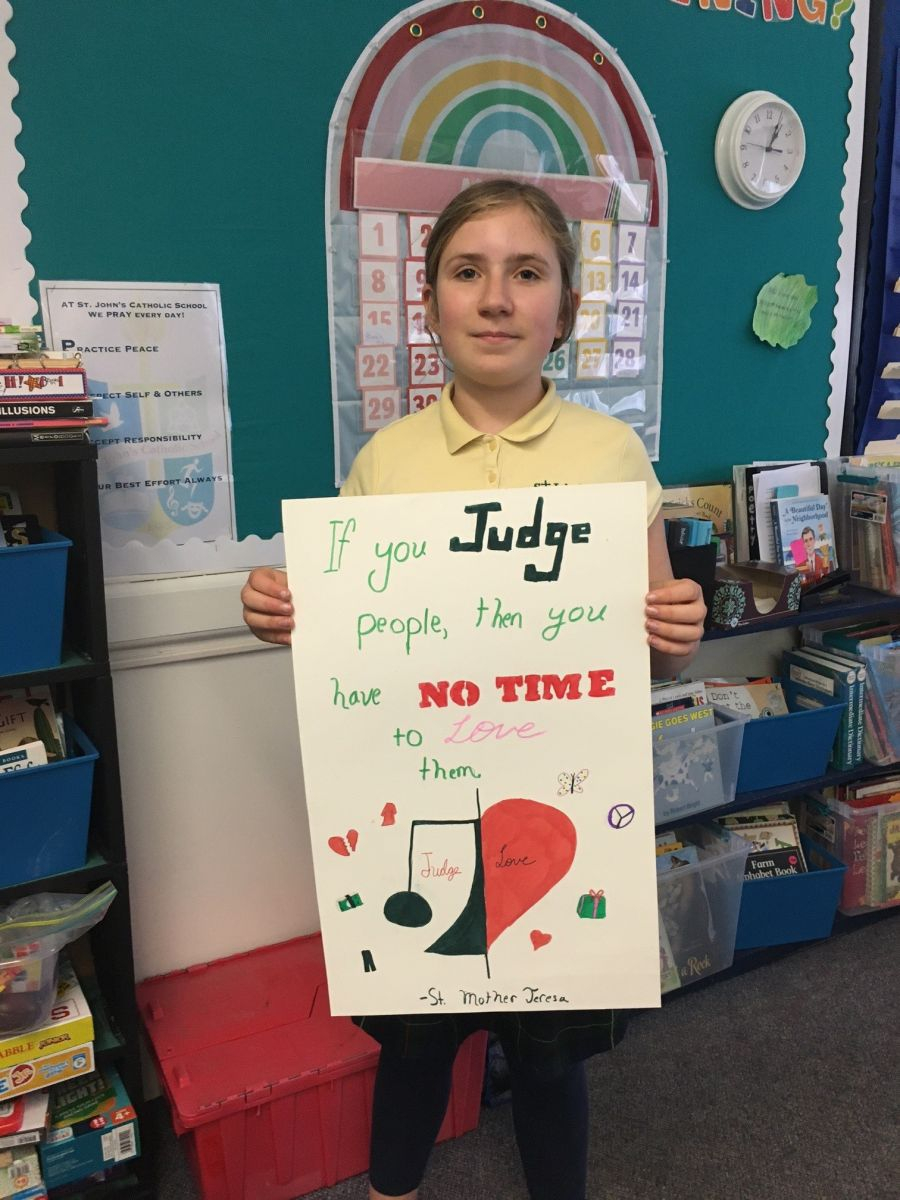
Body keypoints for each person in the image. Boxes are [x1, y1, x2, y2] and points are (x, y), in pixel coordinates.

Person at [241, 180, 706, 1200]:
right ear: (432, 303)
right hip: (425, 809)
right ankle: (391, 1189)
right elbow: (351, 639)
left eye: (526, 273)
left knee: (550, 1060)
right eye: (468, 272)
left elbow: (657, 642)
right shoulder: (387, 462)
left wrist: (676, 633)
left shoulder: (612, 455)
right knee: (412, 1045)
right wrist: (283, 610)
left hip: (561, 807)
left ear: (566, 313)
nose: (496, 298)